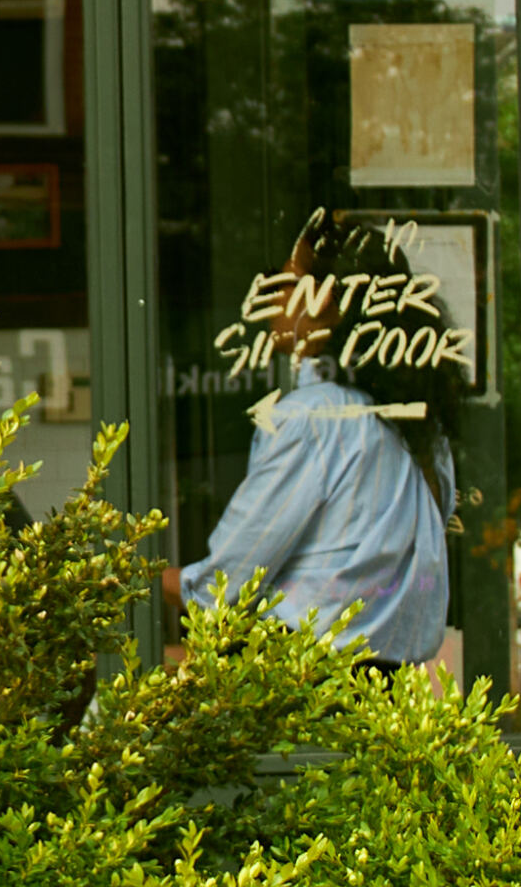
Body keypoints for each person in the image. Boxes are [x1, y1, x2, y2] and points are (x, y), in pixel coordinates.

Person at [171, 241, 451, 669]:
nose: (269, 293)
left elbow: (227, 583)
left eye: (285, 281)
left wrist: (139, 581)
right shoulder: (423, 430)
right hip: (390, 691)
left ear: (326, 306)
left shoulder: (315, 418)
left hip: (308, 686)